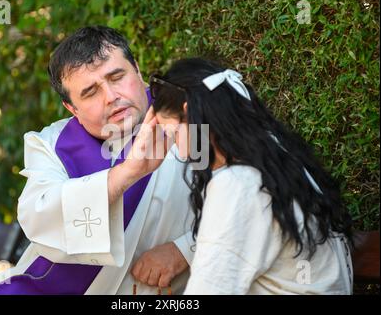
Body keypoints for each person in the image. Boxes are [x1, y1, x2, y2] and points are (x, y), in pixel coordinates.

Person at [0, 26, 195, 295]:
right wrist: (126, 174)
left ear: (137, 69)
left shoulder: (191, 112)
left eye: (117, 76)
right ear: (71, 108)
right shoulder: (52, 145)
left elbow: (252, 194)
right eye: (90, 92)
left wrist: (186, 250)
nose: (111, 97)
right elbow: (39, 217)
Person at [150, 57, 354, 294]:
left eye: (172, 134)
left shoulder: (237, 186)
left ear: (190, 114)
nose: (181, 152)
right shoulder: (277, 155)